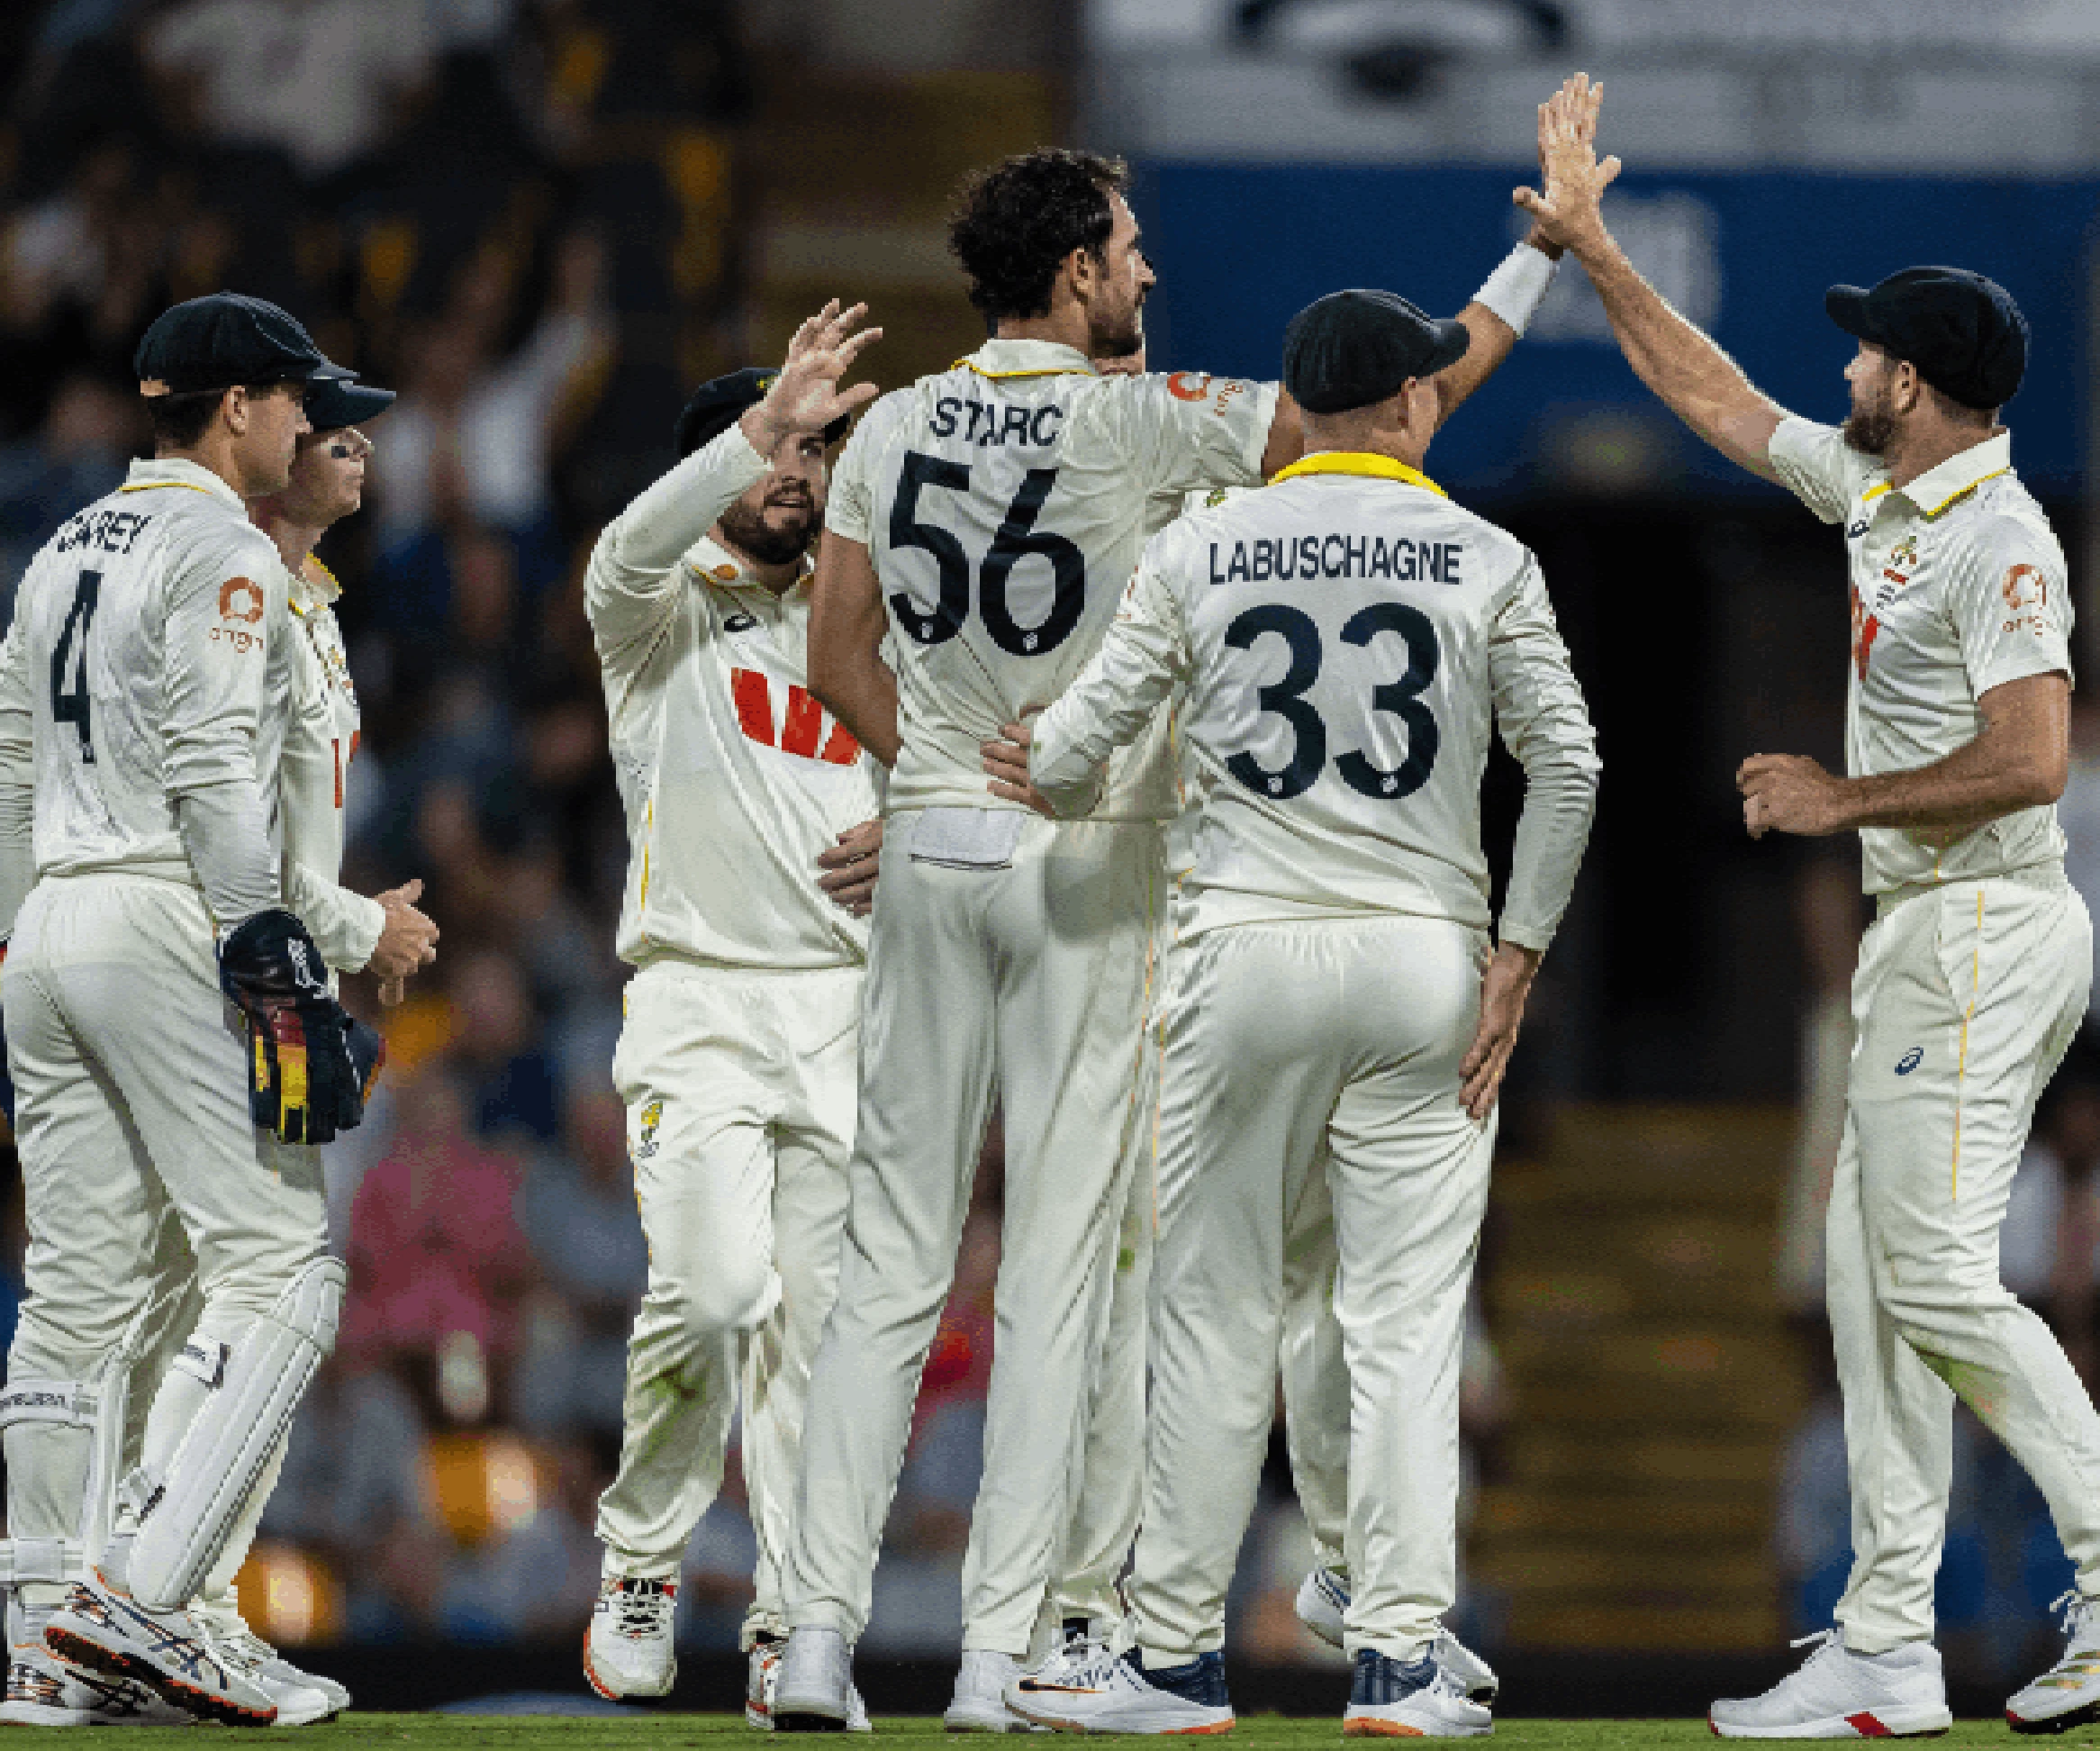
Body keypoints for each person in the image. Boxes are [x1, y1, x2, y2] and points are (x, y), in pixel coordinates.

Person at [775, 148, 1552, 1730]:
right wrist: (1533, 261)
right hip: (1093, 855)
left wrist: (935, 779)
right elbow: (1391, 413)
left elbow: (831, 644)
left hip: (930, 844)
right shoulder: (1149, 413)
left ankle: (808, 1643)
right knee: (1063, 1269)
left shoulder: (896, 423)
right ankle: (1005, 1657)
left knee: (886, 1264)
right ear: (1071, 275)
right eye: (1125, 250)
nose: (1145, 272)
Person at [1521, 75, 2100, 1737]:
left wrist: (1843, 802)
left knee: (1921, 1272)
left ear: (1910, 382)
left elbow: (2036, 757)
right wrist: (1594, 254)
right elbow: (1715, 399)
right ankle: (1888, 1646)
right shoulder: (1890, 502)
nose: (1837, 370)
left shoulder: (2006, 542)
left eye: (1859, 353)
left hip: (1985, 918)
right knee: (1865, 1279)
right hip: (1929, 934)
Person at [982, 284, 1598, 1736]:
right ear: (1396, 406)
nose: (1437, 399)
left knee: (1214, 1311)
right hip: (1424, 957)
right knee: (1399, 1317)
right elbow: (1568, 768)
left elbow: (1074, 755)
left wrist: (1035, 751)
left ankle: (1178, 1660)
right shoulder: (1486, 552)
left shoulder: (1204, 542)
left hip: (1241, 956)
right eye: (1427, 387)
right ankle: (1396, 1658)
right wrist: (1519, 957)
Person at [0, 293, 418, 1727]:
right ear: (236, 408)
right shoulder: (221, 544)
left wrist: (8, 943)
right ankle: (147, 1605)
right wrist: (274, 957)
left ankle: (49, 1638)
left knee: (84, 1296)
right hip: (169, 905)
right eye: (292, 400)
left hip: (50, 918)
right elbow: (220, 781)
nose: (306, 423)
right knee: (284, 1265)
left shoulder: (66, 544)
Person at [570, 316, 889, 1719]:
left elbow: (956, 766)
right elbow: (622, 550)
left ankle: (792, 1630)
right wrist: (755, 430)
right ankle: (641, 1560)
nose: (802, 471)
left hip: (846, 1008)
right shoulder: (655, 612)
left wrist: (917, 822)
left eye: (823, 446)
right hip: (696, 994)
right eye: (781, 444)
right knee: (709, 1295)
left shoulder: (863, 616)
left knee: (815, 1345)